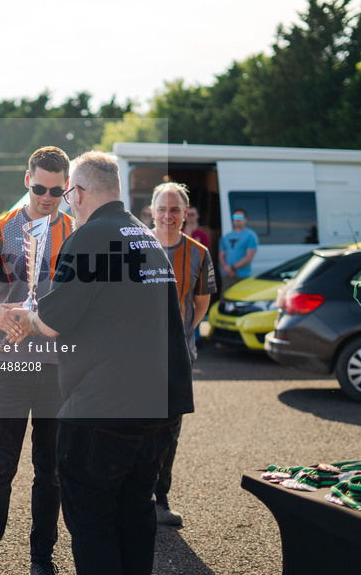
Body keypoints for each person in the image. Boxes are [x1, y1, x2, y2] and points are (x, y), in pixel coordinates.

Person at [10, 151, 194, 575]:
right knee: (135, 517)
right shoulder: (147, 238)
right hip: (159, 408)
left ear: (77, 193)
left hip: (105, 411)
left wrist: (25, 318)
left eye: (68, 193)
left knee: (92, 524)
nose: (66, 202)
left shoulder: (90, 237)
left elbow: (54, 322)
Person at [0, 146, 73, 575]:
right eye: (40, 188)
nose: (47, 197)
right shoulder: (0, 228)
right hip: (11, 365)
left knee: (51, 471)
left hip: (58, 367)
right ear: (27, 180)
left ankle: (41, 557)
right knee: (0, 467)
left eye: (57, 190)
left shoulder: (75, 232)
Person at [150, 182, 216, 526]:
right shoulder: (134, 247)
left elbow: (201, 304)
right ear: (151, 211)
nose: (167, 215)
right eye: (162, 208)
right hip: (136, 357)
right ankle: (133, 496)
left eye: (175, 209)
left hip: (177, 357)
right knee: (132, 424)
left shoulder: (197, 254)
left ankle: (159, 499)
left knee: (168, 430)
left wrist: (179, 336)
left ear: (186, 214)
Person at [218, 207, 258, 292]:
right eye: (235, 217)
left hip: (242, 276)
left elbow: (249, 257)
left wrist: (232, 268)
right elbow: (221, 255)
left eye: (240, 217)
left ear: (245, 220)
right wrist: (227, 269)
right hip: (227, 275)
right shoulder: (226, 236)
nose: (237, 220)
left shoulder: (250, 235)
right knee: (225, 299)